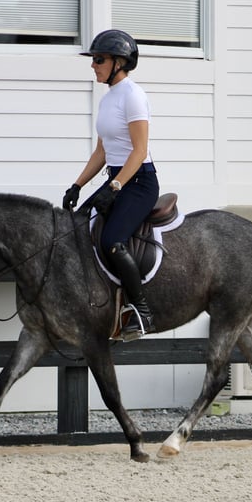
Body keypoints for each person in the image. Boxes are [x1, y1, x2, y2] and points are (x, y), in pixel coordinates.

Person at [62, 29, 159, 338]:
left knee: (111, 241)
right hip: (117, 178)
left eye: (99, 60)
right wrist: (77, 186)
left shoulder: (133, 96)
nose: (94, 65)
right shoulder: (107, 100)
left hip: (139, 182)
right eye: (93, 60)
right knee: (76, 228)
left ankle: (142, 312)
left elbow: (139, 151)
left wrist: (114, 188)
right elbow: (102, 152)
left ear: (119, 62)